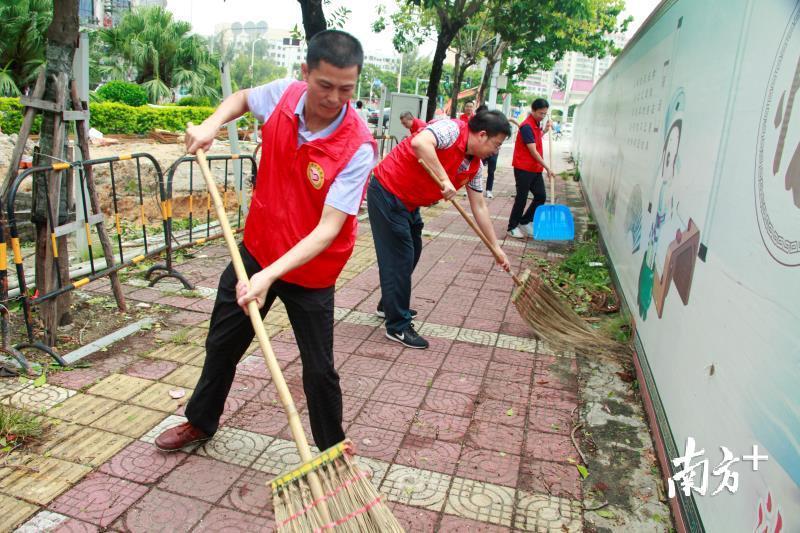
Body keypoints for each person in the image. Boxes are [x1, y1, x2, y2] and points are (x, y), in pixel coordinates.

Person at [154, 30, 376, 453]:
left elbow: (329, 229)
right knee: (222, 342)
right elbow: (240, 98)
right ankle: (200, 421)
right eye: (325, 85)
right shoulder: (283, 95)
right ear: (306, 72)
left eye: (346, 89)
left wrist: (270, 277)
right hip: (258, 248)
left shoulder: (358, 146)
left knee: (318, 368)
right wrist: (209, 125)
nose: (334, 98)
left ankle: (332, 449)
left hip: (310, 269)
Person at [368, 111, 512, 349]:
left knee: (413, 251)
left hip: (410, 202)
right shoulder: (452, 130)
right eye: (495, 145)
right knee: (400, 258)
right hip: (387, 191)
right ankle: (398, 326)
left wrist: (496, 248)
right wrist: (445, 180)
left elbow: (480, 206)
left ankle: (389, 305)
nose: (495, 152)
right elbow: (420, 142)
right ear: (482, 135)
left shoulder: (475, 167)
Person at [507, 98, 553, 239]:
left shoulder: (536, 124)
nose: (542, 116)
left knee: (540, 196)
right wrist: (548, 168)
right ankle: (512, 227)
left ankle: (525, 220)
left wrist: (544, 130)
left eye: (545, 114)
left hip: (534, 168)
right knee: (521, 197)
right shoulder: (527, 126)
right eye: (540, 113)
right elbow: (533, 151)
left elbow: (536, 138)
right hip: (523, 168)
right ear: (533, 110)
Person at [475, 105, 498, 199]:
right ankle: (473, 189)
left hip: (492, 151)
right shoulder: (476, 124)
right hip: (480, 151)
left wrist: (497, 146)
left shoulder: (494, 123)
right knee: (475, 169)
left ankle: (489, 190)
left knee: (491, 171)